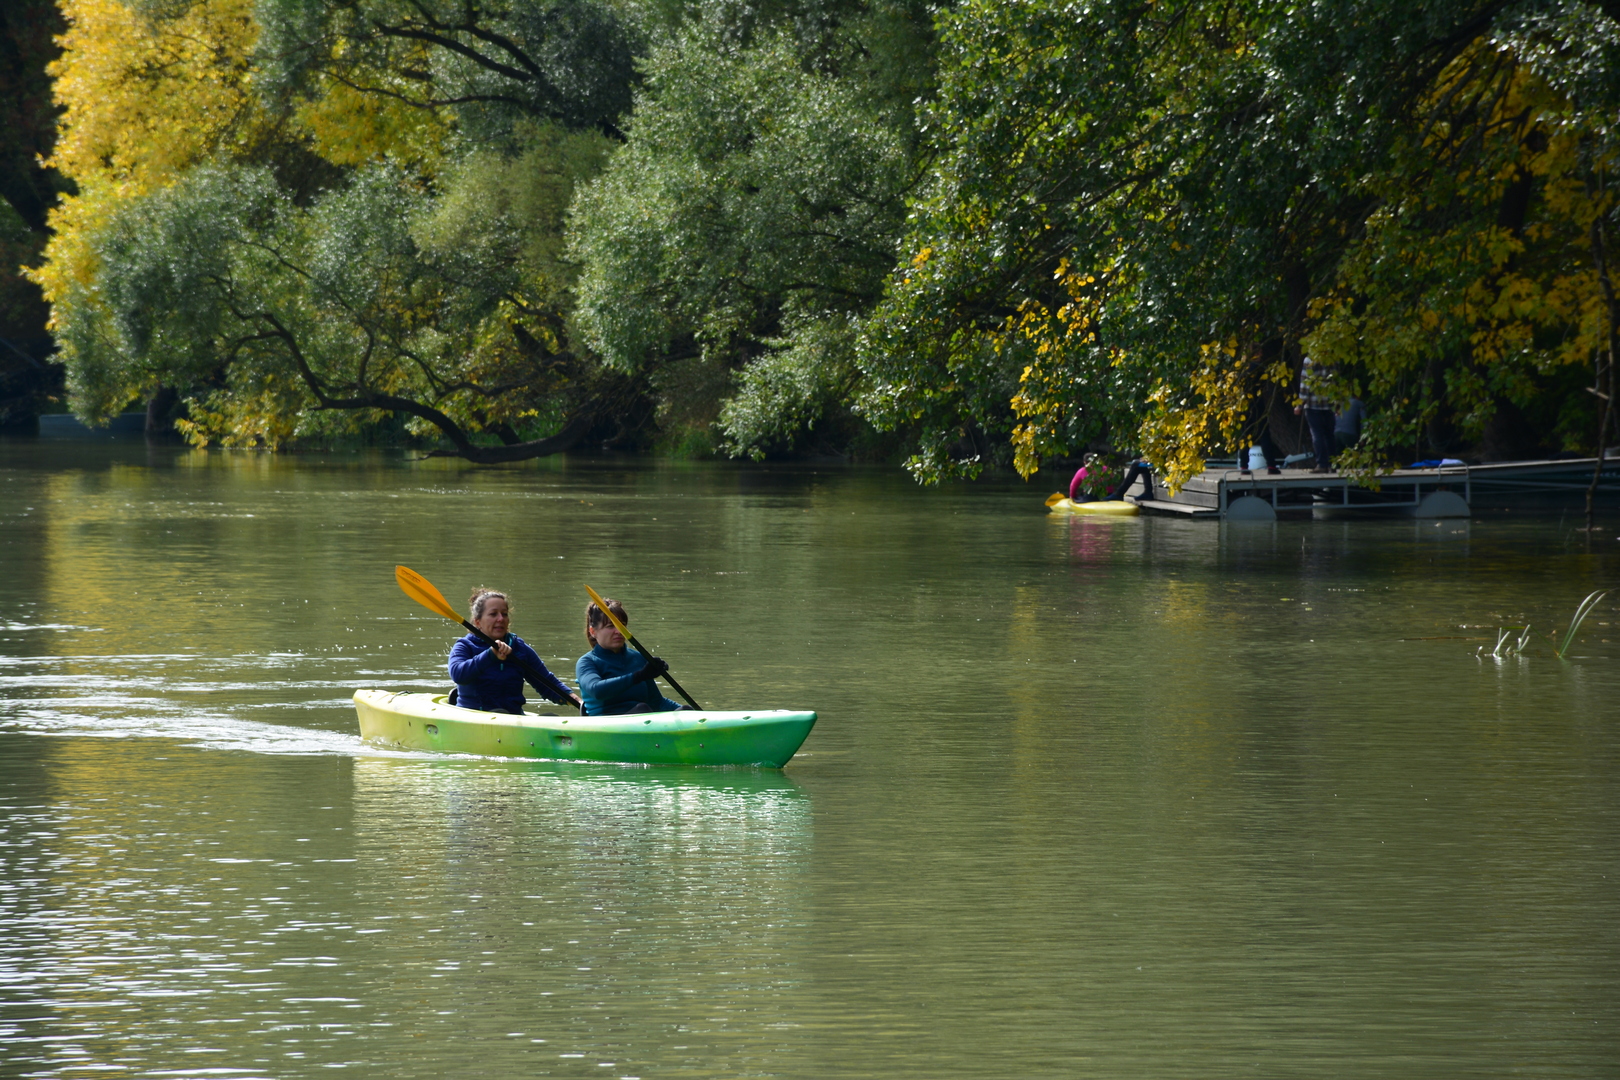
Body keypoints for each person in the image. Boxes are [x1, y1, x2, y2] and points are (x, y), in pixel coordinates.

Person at [448, 587, 580, 714]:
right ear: (477, 622)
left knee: (550, 718)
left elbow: (546, 682)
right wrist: (490, 655)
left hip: (512, 717)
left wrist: (575, 700)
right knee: (499, 713)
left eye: (504, 614)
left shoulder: (519, 648)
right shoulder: (465, 645)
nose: (501, 619)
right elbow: (458, 675)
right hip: (475, 716)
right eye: (493, 614)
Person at [576, 598, 685, 716]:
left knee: (685, 710)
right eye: (610, 626)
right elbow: (596, 690)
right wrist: (638, 676)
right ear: (593, 631)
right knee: (642, 709)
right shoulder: (587, 662)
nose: (618, 631)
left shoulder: (638, 658)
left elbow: (657, 702)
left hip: (642, 719)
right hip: (605, 724)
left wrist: (694, 715)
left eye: (622, 625)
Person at [1294, 356, 1337, 473]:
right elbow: (1336, 382)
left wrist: (1300, 405)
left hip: (1313, 404)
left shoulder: (1309, 360)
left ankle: (1322, 464)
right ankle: (1332, 464)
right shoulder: (1332, 359)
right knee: (1329, 435)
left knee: (1317, 434)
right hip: (1329, 403)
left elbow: (1305, 384)